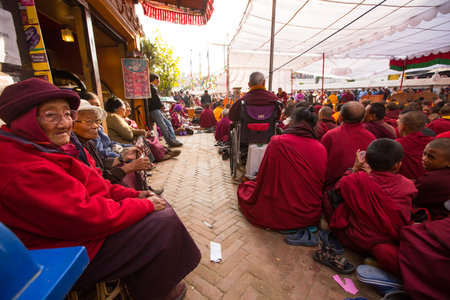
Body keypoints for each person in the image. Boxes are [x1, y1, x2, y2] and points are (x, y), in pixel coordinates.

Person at [0, 78, 200, 300]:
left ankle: (152, 284)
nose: (64, 123)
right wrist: (141, 205)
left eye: (67, 114)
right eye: (51, 115)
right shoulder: (23, 165)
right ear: (26, 120)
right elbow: (82, 217)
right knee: (161, 224)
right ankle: (149, 292)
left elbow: (97, 184)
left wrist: (134, 195)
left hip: (76, 229)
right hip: (59, 248)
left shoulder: (44, 148)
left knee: (159, 210)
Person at [330, 139, 416, 276]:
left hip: (354, 239)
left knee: (332, 199)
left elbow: (338, 188)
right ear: (397, 166)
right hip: (387, 241)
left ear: (366, 161)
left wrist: (355, 169)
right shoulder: (407, 186)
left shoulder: (354, 179)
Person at [237, 108, 327, 231]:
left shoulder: (277, 142)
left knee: (245, 188)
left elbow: (264, 176)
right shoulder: (321, 148)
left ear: (293, 122)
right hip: (308, 214)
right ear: (313, 126)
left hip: (279, 213)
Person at [321, 102, 376, 190]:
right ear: (362, 118)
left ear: (341, 117)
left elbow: (322, 163)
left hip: (335, 188)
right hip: (362, 187)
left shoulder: (330, 136)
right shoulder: (371, 137)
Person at [414, 138, 450, 219]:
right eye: (424, 154)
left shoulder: (433, 179)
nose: (424, 159)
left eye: (431, 157)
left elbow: (414, 197)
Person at [395, 111, 434, 180]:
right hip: (429, 180)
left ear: (402, 126)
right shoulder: (433, 142)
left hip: (406, 183)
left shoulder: (397, 144)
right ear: (425, 126)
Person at [147, 74, 183, 148]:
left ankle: (173, 139)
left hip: (156, 110)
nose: (159, 83)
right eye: (158, 81)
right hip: (154, 110)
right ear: (156, 80)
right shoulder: (152, 87)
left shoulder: (151, 87)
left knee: (168, 123)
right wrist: (161, 106)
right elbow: (156, 100)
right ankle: (170, 142)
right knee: (163, 126)